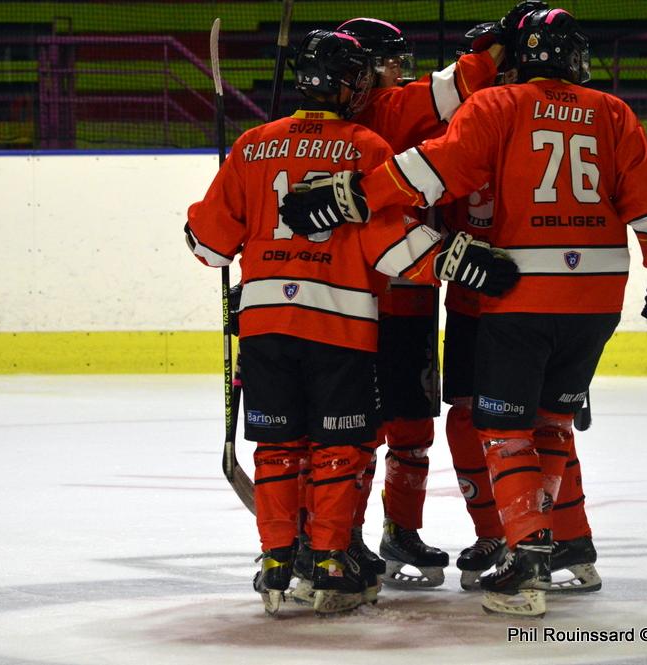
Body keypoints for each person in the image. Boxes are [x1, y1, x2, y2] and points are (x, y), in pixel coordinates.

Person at [278, 8, 647, 618]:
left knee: (480, 425)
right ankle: (539, 539)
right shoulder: (606, 110)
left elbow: (432, 167)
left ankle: (516, 543)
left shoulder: (480, 107)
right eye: (388, 61)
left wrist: (346, 197)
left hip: (486, 292)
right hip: (549, 293)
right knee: (528, 422)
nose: (398, 72)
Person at [185, 29, 518, 616]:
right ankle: (330, 554)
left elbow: (208, 244)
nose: (392, 73)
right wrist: (457, 261)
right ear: (353, 79)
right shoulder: (368, 139)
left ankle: (283, 557)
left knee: (286, 444)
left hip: (275, 319)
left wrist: (235, 245)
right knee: (342, 443)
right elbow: (389, 241)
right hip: (349, 316)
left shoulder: (254, 143)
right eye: (381, 65)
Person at [334, 13, 508, 589]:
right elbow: (457, 83)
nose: (398, 73)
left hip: (408, 294)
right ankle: (347, 537)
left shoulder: (376, 114)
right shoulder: (385, 110)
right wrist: (499, 47)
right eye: (389, 63)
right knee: (365, 428)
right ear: (361, 68)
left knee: (405, 426)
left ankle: (391, 533)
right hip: (377, 297)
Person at [442, 21, 602, 595]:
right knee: (486, 419)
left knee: (537, 424)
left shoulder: (525, 112)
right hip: (476, 298)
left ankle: (557, 538)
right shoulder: (476, 112)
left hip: (521, 298)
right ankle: (503, 533)